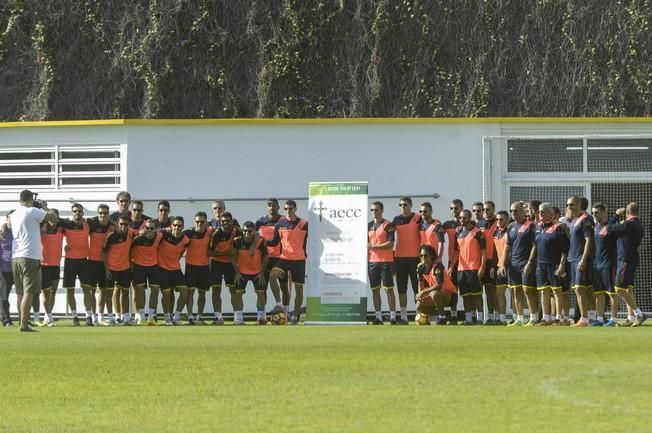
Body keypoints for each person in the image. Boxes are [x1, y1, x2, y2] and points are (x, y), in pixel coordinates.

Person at [3, 190, 58, 332]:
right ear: (30, 199)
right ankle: (23, 324)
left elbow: (7, 226)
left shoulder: (14, 214)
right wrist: (45, 208)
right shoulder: (32, 211)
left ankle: (23, 321)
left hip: (15, 257)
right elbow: (54, 219)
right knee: (29, 292)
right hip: (29, 256)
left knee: (20, 292)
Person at [267, 200, 308, 325]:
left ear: (295, 209)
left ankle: (295, 316)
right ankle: (279, 304)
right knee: (272, 275)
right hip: (284, 258)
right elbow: (274, 242)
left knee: (299, 290)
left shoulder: (304, 224)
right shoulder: (280, 224)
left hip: (299, 260)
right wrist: (263, 241)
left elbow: (316, 239)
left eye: (290, 208)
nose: (288, 211)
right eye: (286, 209)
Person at [607, 202, 646, 326]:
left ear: (627, 213)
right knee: (628, 288)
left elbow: (610, 228)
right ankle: (630, 318)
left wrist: (616, 215)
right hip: (632, 259)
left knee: (619, 288)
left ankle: (638, 313)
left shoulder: (628, 224)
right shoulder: (639, 224)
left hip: (625, 260)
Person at [532, 203, 569, 326]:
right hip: (540, 264)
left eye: (543, 212)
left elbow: (565, 249)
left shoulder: (558, 228)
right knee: (544, 291)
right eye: (539, 212)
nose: (540, 214)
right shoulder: (538, 228)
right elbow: (535, 246)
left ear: (551, 214)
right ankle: (546, 317)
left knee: (557, 291)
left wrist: (562, 265)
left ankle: (559, 317)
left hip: (554, 264)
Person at [500, 201, 536, 326]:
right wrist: (503, 264)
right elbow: (507, 247)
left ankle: (533, 317)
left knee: (528, 290)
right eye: (511, 211)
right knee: (515, 291)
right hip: (513, 264)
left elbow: (534, 246)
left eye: (515, 211)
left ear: (522, 211)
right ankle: (519, 318)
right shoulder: (510, 227)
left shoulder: (531, 226)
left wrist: (530, 262)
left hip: (525, 263)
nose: (513, 213)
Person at [61, 203, 93, 326]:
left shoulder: (88, 223)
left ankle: (89, 316)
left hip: (84, 261)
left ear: (83, 213)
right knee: (70, 290)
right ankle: (75, 317)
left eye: (79, 211)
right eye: (75, 211)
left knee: (87, 290)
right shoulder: (66, 225)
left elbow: (106, 221)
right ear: (72, 213)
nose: (77, 213)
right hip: (70, 261)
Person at [232, 221, 268, 325]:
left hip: (257, 272)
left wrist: (261, 273)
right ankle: (238, 318)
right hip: (242, 272)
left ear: (254, 232)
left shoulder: (260, 242)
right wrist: (237, 272)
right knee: (238, 293)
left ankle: (261, 317)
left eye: (249, 231)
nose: (247, 233)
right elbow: (233, 258)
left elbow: (266, 257)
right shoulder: (237, 241)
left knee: (261, 294)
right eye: (245, 231)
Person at [391, 197, 421, 324]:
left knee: (417, 288)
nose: (403, 206)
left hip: (416, 258)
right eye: (401, 205)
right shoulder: (396, 220)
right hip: (400, 258)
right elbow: (389, 239)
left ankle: (419, 315)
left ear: (411, 205)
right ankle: (403, 316)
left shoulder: (418, 218)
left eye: (405, 204)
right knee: (401, 288)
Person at [566, 195, 594, 327]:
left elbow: (589, 240)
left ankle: (584, 318)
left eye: (571, 204)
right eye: (567, 205)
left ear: (578, 204)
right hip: (573, 259)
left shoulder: (586, 219)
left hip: (581, 259)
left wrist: (583, 258)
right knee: (581, 288)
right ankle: (590, 317)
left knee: (580, 288)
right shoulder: (574, 220)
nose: (569, 207)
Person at [208, 211, 240, 325]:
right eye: (223, 222)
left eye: (228, 221)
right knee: (216, 290)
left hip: (230, 264)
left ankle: (237, 318)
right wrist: (226, 253)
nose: (225, 223)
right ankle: (218, 318)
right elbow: (209, 252)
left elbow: (253, 235)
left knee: (234, 290)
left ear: (232, 221)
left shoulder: (237, 231)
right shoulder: (216, 234)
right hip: (216, 263)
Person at [367, 201, 397, 325]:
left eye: (377, 210)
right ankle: (378, 317)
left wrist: (373, 246)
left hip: (386, 261)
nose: (374, 212)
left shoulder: (388, 225)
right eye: (372, 210)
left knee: (389, 290)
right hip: (372, 262)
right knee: (375, 290)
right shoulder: (368, 225)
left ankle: (393, 317)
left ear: (382, 210)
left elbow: (390, 243)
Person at [455, 209, 486, 325]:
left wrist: (482, 267)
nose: (462, 220)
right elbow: (456, 252)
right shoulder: (458, 233)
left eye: (464, 217)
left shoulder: (478, 233)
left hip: (474, 268)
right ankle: (468, 319)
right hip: (461, 269)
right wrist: (451, 267)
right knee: (465, 296)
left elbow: (483, 251)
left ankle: (480, 318)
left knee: (477, 295)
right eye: (460, 218)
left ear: (469, 218)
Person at [158, 216, 190, 325]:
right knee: (166, 294)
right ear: (171, 226)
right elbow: (152, 232)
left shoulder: (185, 239)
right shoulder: (163, 234)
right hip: (162, 269)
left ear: (183, 227)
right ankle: (167, 317)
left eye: (179, 225)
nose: (177, 227)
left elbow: (181, 253)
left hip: (175, 269)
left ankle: (176, 316)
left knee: (185, 291)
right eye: (175, 225)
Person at [103, 216, 134, 325]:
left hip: (125, 269)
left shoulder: (131, 233)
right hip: (112, 269)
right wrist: (107, 269)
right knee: (109, 293)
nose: (123, 226)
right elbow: (104, 253)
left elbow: (144, 232)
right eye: (121, 224)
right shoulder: (111, 236)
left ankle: (126, 318)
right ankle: (112, 317)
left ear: (129, 225)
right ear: (117, 224)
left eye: (126, 224)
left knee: (125, 293)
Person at [130, 219, 162, 325]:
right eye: (147, 228)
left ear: (155, 229)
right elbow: (127, 248)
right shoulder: (137, 239)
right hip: (139, 266)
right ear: (144, 228)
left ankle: (151, 316)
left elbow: (170, 230)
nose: (149, 230)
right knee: (140, 291)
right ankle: (141, 315)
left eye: (151, 228)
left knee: (155, 291)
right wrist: (131, 264)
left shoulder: (159, 236)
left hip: (154, 266)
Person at [183, 211, 213, 325]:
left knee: (202, 294)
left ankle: (199, 317)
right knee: (190, 292)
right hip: (191, 267)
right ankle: (190, 316)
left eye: (202, 222)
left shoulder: (210, 232)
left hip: (204, 267)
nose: (199, 224)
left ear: (206, 223)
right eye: (197, 222)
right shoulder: (188, 233)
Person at [256, 198, 284, 310]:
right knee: (262, 287)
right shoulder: (260, 221)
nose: (272, 207)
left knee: (283, 287)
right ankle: (261, 315)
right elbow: (253, 237)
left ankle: (281, 307)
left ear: (278, 207)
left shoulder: (283, 220)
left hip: (280, 258)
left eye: (274, 205)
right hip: (264, 259)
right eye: (269, 205)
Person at [88, 204, 115, 325]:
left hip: (106, 263)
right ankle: (93, 317)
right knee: (91, 292)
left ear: (108, 214)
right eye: (100, 213)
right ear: (97, 214)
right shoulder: (92, 225)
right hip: (92, 262)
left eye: (105, 213)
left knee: (103, 291)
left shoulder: (112, 226)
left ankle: (100, 317)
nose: (102, 215)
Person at [592, 203, 618, 327]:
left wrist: (617, 215)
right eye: (592, 213)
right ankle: (600, 318)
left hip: (609, 264)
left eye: (596, 212)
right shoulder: (595, 227)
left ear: (603, 212)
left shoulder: (612, 226)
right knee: (599, 293)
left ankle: (613, 319)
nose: (594, 215)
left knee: (612, 293)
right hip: (597, 265)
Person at [415, 245, 457, 321]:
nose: (423, 258)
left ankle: (442, 318)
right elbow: (420, 284)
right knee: (419, 305)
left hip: (450, 295)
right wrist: (420, 295)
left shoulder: (437, 266)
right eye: (421, 255)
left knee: (434, 293)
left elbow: (439, 285)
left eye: (425, 255)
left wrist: (423, 292)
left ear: (431, 256)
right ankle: (444, 314)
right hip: (436, 294)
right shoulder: (420, 268)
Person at [40, 208, 63, 327]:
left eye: (55, 216)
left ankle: (47, 315)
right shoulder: (42, 229)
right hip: (44, 265)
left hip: (56, 265)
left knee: (53, 293)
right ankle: (48, 316)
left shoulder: (60, 229)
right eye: (51, 216)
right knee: (46, 293)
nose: (53, 219)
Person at [441, 199, 462, 324]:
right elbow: (435, 236)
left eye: (456, 208)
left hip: (467, 261)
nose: (454, 211)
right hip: (452, 260)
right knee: (452, 289)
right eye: (452, 208)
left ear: (461, 208)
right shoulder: (447, 224)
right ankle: (454, 315)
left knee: (467, 289)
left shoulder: (468, 223)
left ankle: (473, 316)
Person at [478, 201, 498, 324]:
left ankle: (495, 316)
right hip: (481, 260)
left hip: (494, 260)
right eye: (484, 209)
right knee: (483, 290)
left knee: (493, 291)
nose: (485, 211)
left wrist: (494, 264)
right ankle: (485, 316)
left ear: (493, 209)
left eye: (488, 209)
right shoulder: (479, 224)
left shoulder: (498, 222)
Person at [492, 210, 510, 325]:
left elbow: (510, 250)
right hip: (499, 266)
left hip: (510, 266)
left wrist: (504, 263)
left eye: (501, 219)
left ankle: (517, 318)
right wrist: (494, 266)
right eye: (497, 219)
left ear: (507, 220)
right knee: (499, 293)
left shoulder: (511, 232)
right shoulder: (496, 233)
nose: (498, 221)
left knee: (515, 292)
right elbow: (494, 251)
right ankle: (502, 319)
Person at [1, 210, 15, 326]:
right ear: (6, 219)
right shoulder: (2, 233)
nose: (12, 220)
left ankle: (24, 319)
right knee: (4, 296)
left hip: (19, 268)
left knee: (24, 295)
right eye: (10, 218)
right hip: (4, 270)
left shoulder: (21, 231)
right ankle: (6, 320)